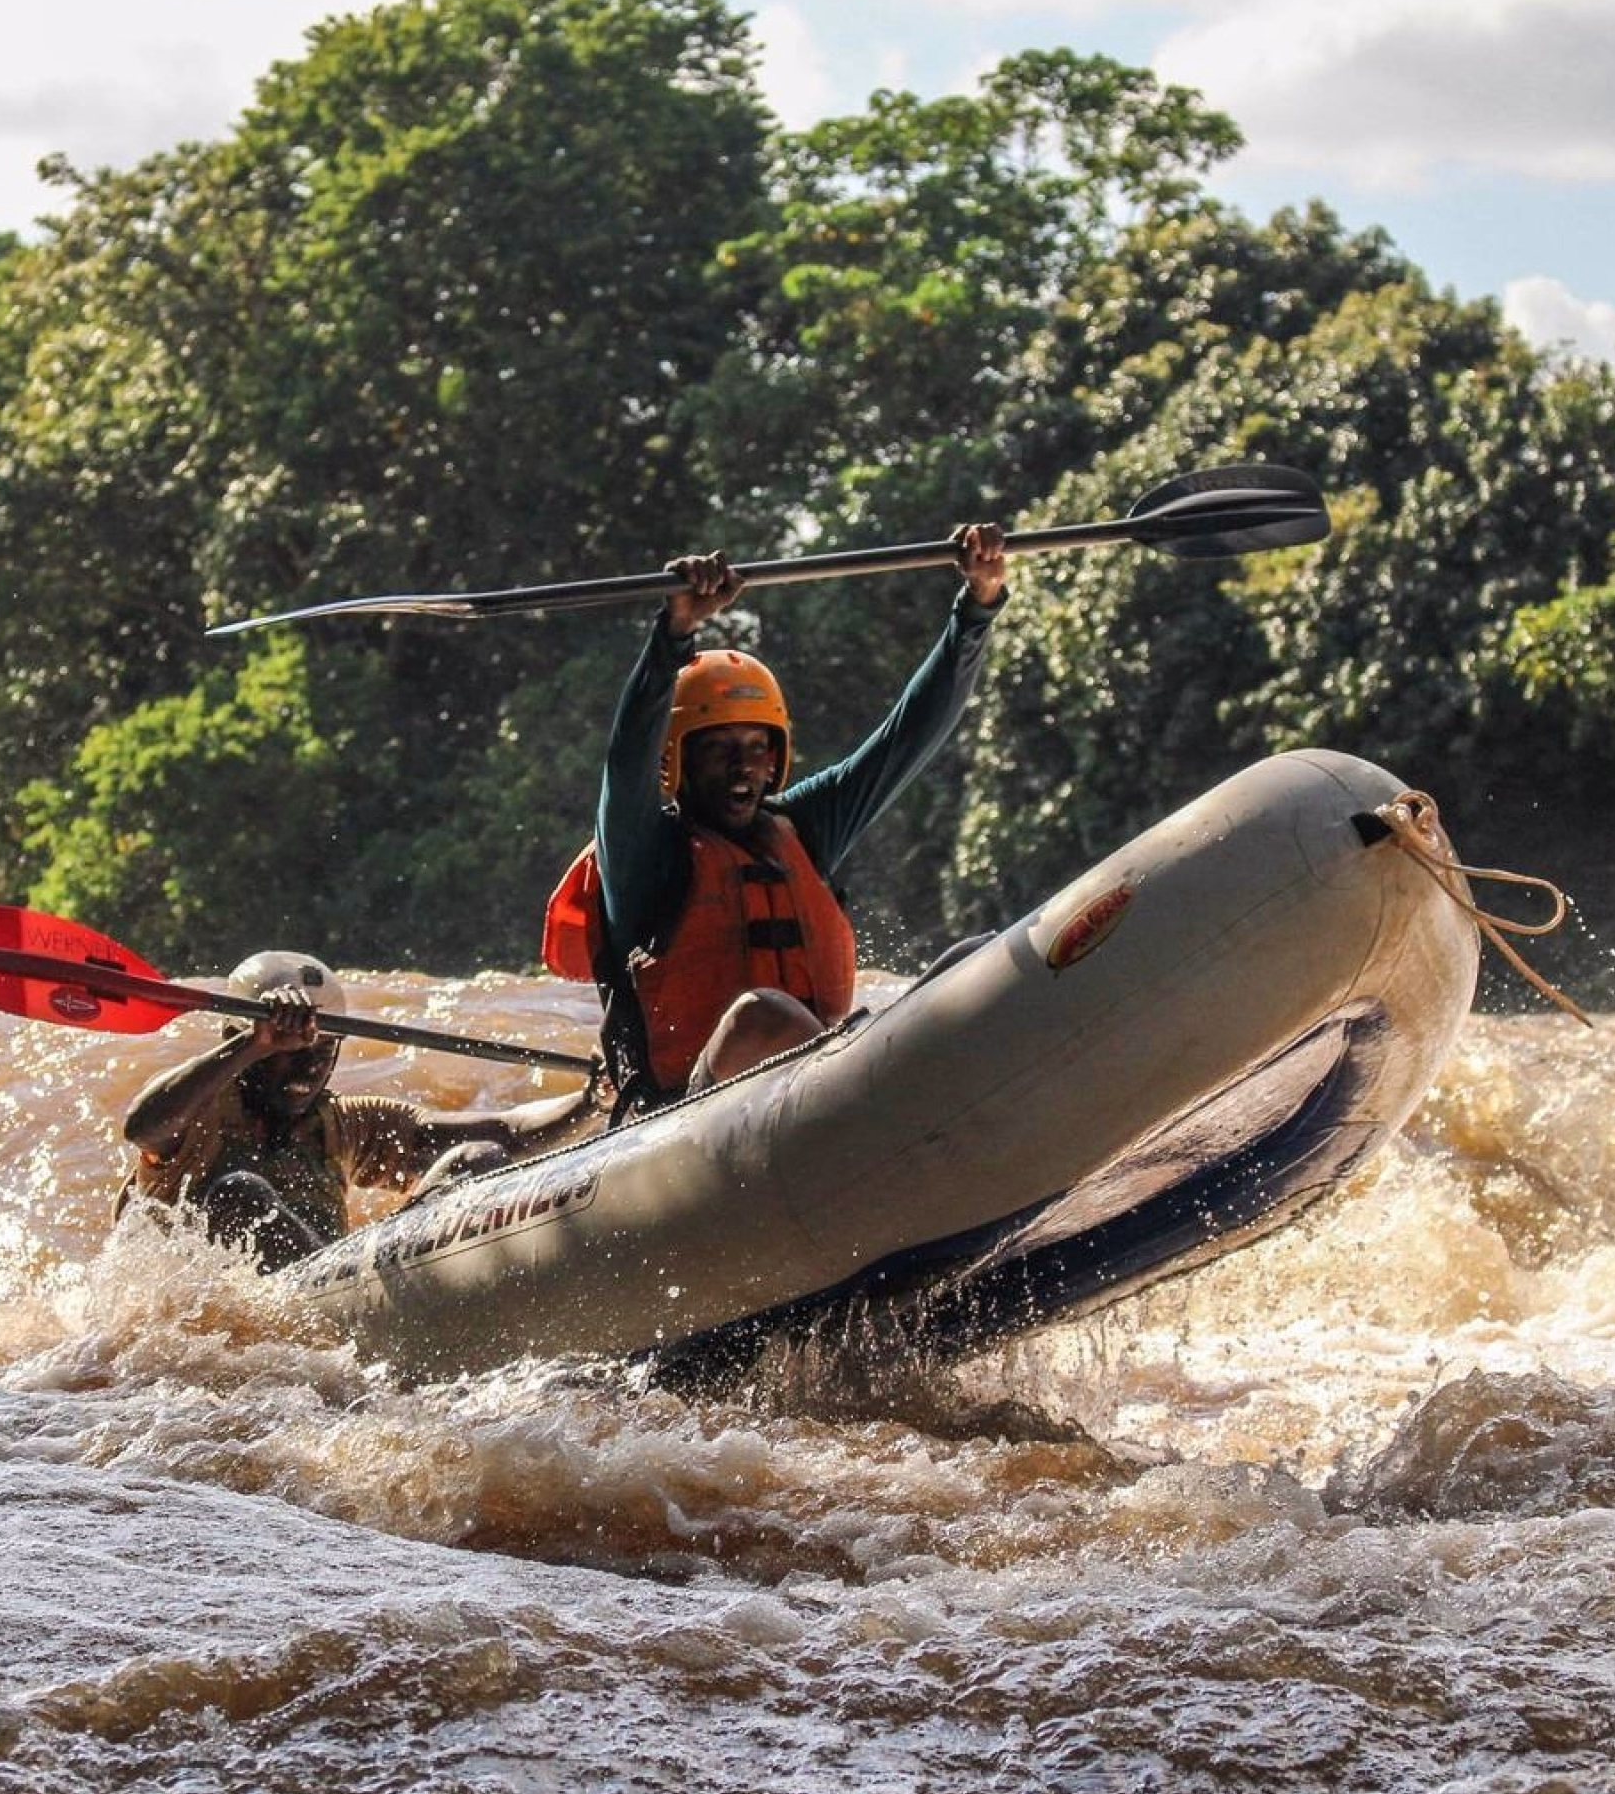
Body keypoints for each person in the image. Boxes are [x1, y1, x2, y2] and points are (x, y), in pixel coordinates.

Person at [542, 524, 1008, 1116]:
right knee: (763, 1016)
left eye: (757, 746)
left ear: (778, 756)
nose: (743, 767)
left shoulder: (804, 828)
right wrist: (675, 632)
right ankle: (864, 1109)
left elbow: (906, 739)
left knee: (974, 957)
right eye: (719, 749)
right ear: (677, 761)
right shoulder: (645, 853)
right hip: (683, 1118)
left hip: (819, 1096)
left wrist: (977, 608)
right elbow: (627, 759)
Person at [118, 951, 605, 1272]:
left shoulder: (348, 1123)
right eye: (289, 1047)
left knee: (476, 1158)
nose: (310, 1064)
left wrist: (589, 1102)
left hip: (350, 1288)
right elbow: (143, 1126)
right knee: (239, 1192)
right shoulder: (194, 1117)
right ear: (237, 1039)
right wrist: (256, 1040)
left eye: (324, 1047)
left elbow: (506, 1131)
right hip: (288, 1309)